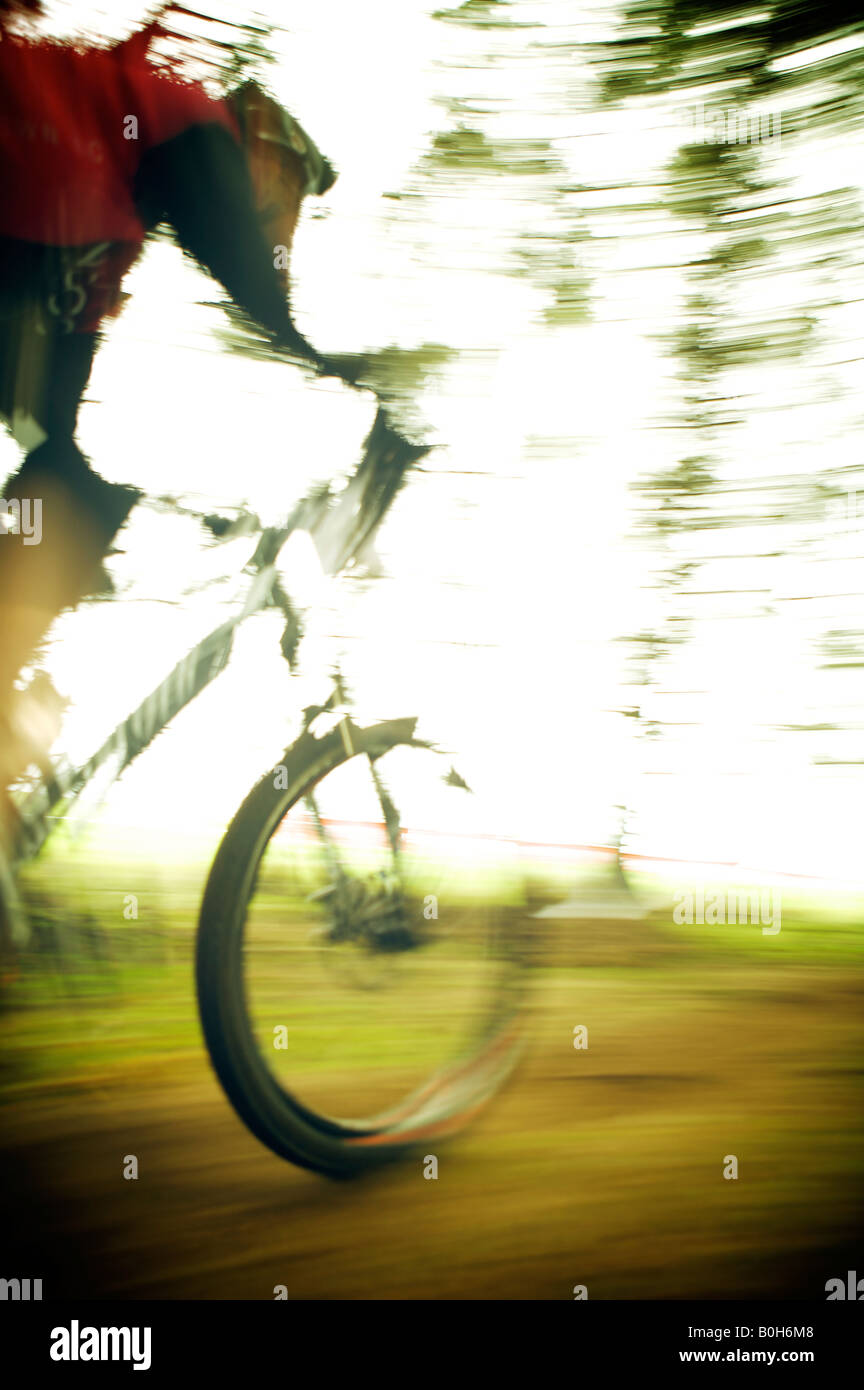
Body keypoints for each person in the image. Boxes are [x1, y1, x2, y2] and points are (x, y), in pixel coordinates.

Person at [0, 3, 346, 810]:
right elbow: (246, 263)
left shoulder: (98, 224)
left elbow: (46, 422)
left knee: (63, 491)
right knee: (66, 500)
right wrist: (331, 361)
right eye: (291, 188)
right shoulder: (187, 118)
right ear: (266, 146)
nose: (287, 216)